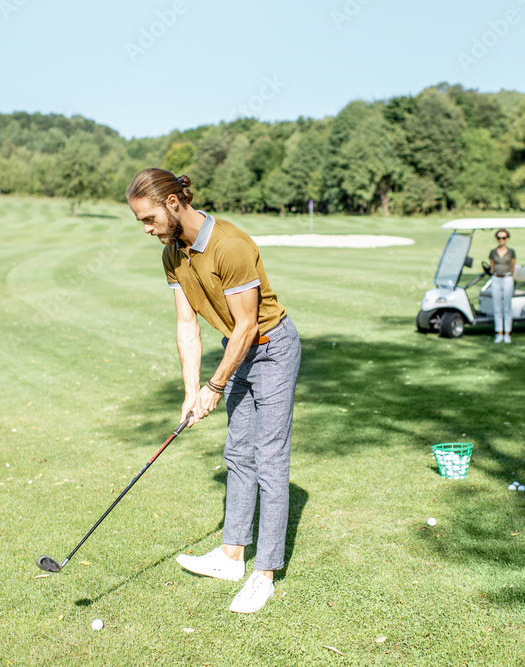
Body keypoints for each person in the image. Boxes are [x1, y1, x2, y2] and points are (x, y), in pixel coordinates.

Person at [125, 168, 301, 614]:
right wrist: (191, 392)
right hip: (235, 348)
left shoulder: (229, 245)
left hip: (271, 348)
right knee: (238, 454)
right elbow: (187, 325)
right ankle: (230, 556)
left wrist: (214, 386)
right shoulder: (173, 255)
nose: (146, 230)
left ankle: (264, 574)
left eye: (148, 219)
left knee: (269, 457)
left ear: (172, 204)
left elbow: (247, 326)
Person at [488, 229, 516, 343]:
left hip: (507, 279)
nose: (501, 240)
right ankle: (499, 333)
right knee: (497, 307)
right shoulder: (493, 252)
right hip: (496, 279)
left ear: (507, 239)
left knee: (507, 307)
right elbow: (492, 267)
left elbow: (512, 266)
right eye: (499, 238)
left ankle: (507, 333)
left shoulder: (511, 252)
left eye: (503, 238)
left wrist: (509, 275)